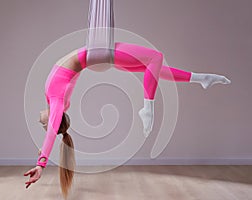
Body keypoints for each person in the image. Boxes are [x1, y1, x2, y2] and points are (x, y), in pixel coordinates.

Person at [23, 42, 231, 198]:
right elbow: (52, 132)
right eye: (44, 123)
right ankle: (147, 108)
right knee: (155, 58)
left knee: (152, 68)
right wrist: (41, 164)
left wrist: (43, 151)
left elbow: (53, 131)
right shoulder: (58, 102)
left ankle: (200, 78)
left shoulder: (55, 102)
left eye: (44, 124)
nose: (40, 122)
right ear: (55, 119)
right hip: (97, 53)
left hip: (96, 53)